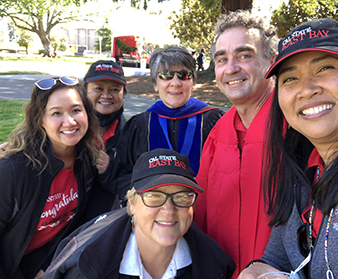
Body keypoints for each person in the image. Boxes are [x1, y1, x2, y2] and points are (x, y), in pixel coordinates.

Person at [238, 18, 338, 279]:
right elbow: (278, 258)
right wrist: (258, 272)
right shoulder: (301, 169)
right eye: (290, 78)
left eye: (324, 67)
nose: (307, 89)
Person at [43, 148, 236, 278]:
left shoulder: (214, 265)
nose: (168, 210)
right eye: (153, 196)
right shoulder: (86, 266)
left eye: (182, 196)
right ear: (132, 203)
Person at [193, 11, 278, 278]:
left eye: (244, 55)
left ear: (272, 63)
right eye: (221, 59)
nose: (230, 68)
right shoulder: (218, 134)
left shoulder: (300, 129)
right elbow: (201, 212)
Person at [0, 77, 109, 278]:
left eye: (76, 110)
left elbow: (79, 222)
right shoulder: (13, 170)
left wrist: (48, 266)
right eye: (56, 113)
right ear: (40, 120)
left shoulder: (86, 160)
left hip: (51, 257)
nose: (70, 122)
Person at [110, 46, 223, 203]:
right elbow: (124, 174)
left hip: (206, 211)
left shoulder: (214, 122)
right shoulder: (140, 125)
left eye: (184, 75)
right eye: (166, 75)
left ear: (193, 83)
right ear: (155, 84)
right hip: (155, 213)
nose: (175, 83)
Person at [83, 59, 128, 212]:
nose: (106, 95)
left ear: (123, 94)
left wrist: (109, 170)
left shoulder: (130, 133)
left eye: (115, 89)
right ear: (85, 91)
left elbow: (130, 187)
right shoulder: (71, 129)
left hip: (104, 221)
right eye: (99, 88)